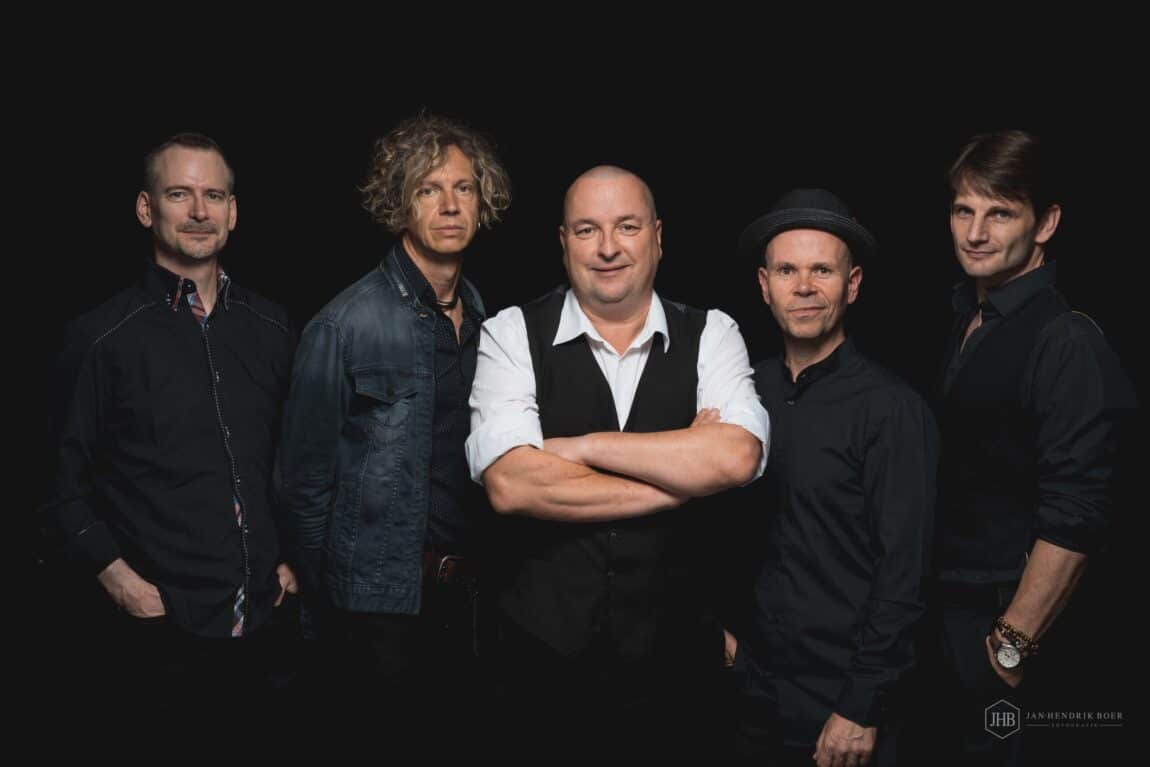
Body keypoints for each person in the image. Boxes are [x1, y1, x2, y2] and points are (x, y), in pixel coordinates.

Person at [466, 164, 769, 757]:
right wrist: (681, 479)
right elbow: (511, 485)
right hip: (539, 673)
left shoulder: (713, 333)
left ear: (658, 236)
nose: (608, 248)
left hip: (680, 674)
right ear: (563, 243)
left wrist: (581, 447)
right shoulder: (510, 332)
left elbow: (735, 456)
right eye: (587, 230)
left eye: (627, 226)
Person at [41, 132, 298, 727]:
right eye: (179, 194)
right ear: (146, 208)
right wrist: (121, 583)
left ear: (233, 211)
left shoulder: (275, 327)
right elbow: (56, 487)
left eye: (214, 196)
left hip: (270, 629)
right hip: (162, 638)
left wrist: (295, 562)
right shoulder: (99, 338)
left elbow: (298, 458)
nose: (200, 211)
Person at [277, 113, 511, 741]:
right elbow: (302, 484)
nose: (449, 205)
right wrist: (328, 605)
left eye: (463, 188)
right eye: (428, 189)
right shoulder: (344, 324)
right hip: (375, 608)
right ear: (399, 202)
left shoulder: (487, 319)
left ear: (482, 200)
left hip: (472, 597)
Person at [933, 130, 1136, 765]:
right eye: (963, 210)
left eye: (999, 213)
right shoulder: (964, 318)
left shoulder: (1067, 340)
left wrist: (1010, 647)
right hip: (949, 620)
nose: (975, 233)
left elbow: (1079, 512)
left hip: (1007, 634)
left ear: (1045, 223)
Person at [730, 188, 938, 766]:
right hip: (748, 692)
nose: (803, 287)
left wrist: (862, 704)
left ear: (852, 284)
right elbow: (711, 529)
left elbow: (906, 572)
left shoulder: (892, 409)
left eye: (822, 270)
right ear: (764, 285)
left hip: (841, 705)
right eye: (787, 271)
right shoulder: (741, 393)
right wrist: (717, 631)